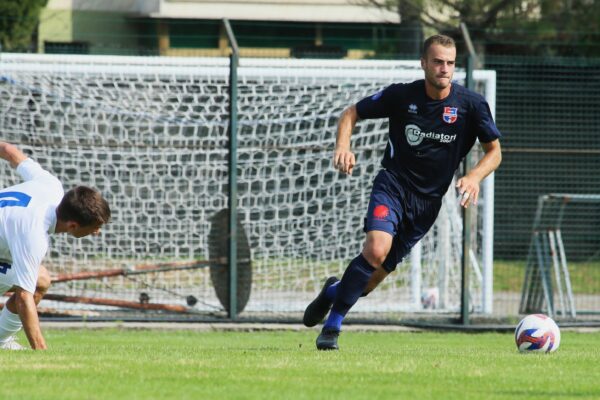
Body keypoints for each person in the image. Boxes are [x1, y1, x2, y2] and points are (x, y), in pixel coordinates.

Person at [303, 34, 502, 350]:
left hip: (427, 205)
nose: (444, 69)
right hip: (393, 186)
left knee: (368, 282)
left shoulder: (471, 105)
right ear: (424, 63)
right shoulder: (401, 96)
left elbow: (495, 151)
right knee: (376, 249)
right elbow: (351, 113)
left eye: (450, 63)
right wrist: (343, 146)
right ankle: (332, 327)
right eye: (437, 62)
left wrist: (475, 176)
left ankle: (331, 293)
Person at [0, 142, 111, 350]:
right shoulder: (33, 234)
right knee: (34, 283)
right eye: (95, 227)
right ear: (73, 225)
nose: (97, 233)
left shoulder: (50, 185)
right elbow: (24, 297)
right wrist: (41, 351)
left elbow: (8, 150)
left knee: (40, 279)